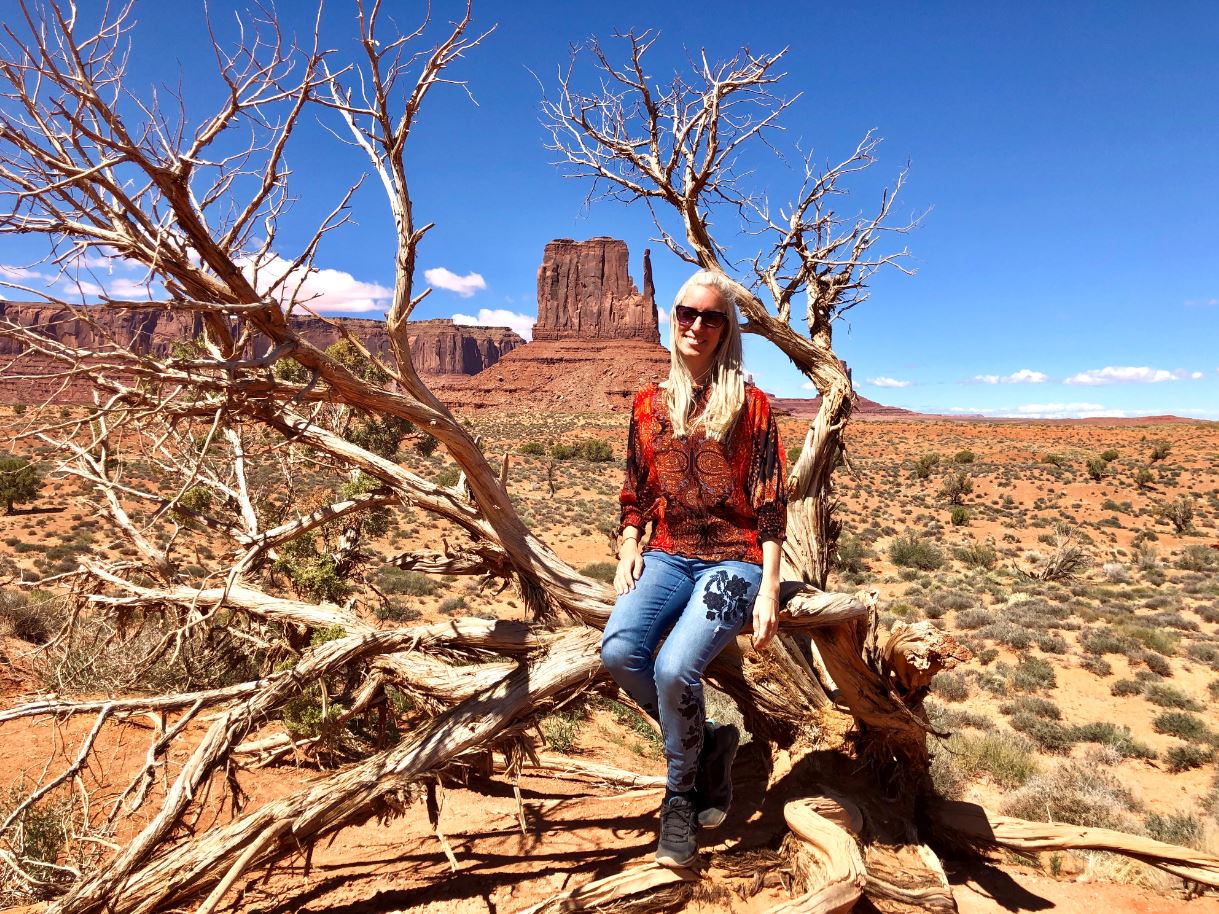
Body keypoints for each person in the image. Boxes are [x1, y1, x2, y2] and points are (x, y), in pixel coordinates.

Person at [601, 269, 787, 868]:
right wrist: (630, 542)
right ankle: (708, 743)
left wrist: (771, 588)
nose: (696, 324)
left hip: (734, 561)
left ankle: (679, 794)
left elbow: (769, 501)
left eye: (711, 316)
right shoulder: (649, 403)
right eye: (686, 312)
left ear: (727, 329)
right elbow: (636, 486)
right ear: (670, 317)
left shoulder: (751, 406)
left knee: (677, 666)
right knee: (621, 652)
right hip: (667, 553)